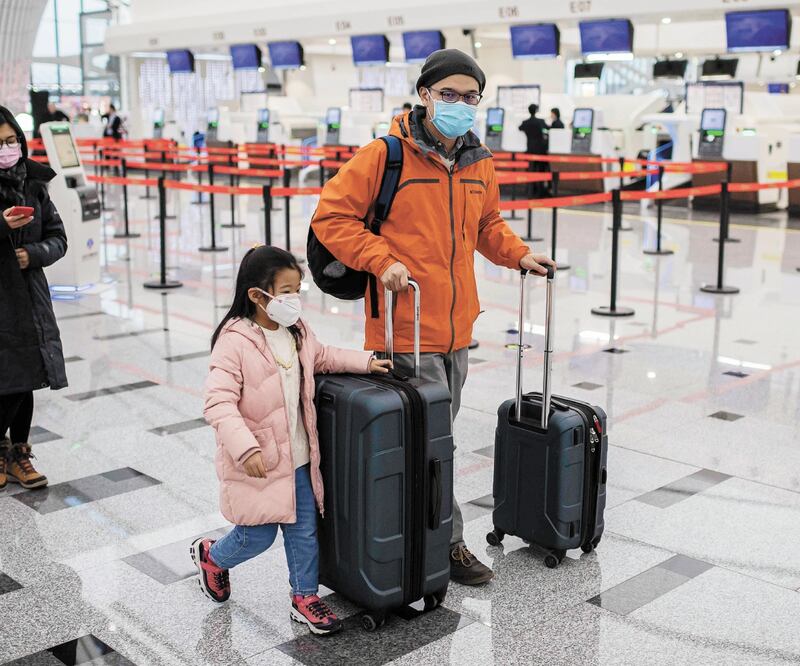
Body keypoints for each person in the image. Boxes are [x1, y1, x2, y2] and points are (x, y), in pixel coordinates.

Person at [311, 49, 556, 586]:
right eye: (449, 94)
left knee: (433, 442)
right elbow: (331, 217)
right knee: (430, 446)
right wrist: (382, 260)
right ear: (424, 95)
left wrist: (518, 254)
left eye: (470, 97)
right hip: (404, 328)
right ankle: (445, 543)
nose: (460, 105)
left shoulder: (478, 161)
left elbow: (488, 224)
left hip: (455, 331)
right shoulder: (385, 155)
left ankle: (421, 539)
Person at [191, 246, 392, 635]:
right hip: (257, 458)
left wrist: (365, 361)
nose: (293, 299)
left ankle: (305, 597)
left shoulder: (296, 331)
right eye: (285, 291)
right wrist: (244, 446)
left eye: (297, 289)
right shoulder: (234, 342)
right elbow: (217, 402)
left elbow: (323, 357)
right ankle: (213, 557)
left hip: (299, 456)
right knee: (257, 535)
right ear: (256, 295)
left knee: (303, 530)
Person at [0, 106, 68, 491]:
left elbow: (58, 238)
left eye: (11, 141)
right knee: (4, 374)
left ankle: (19, 453)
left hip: (29, 295)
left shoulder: (35, 184)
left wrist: (31, 255)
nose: (7, 149)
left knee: (27, 373)